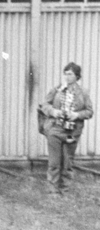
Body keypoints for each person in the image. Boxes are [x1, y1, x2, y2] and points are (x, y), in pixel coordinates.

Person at [41, 62, 93, 194]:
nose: (67, 77)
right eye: (65, 74)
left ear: (77, 76)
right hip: (55, 130)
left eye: (70, 74)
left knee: (68, 161)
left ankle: (65, 189)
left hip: (72, 132)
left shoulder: (83, 93)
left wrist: (77, 115)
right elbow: (44, 104)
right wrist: (53, 112)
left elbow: (89, 112)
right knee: (54, 162)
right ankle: (52, 190)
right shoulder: (57, 89)